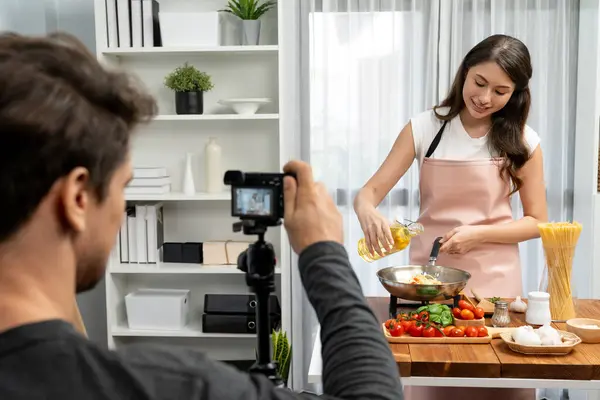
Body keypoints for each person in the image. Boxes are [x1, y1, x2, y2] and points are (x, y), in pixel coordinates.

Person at [0, 32, 403, 400]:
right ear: (77, 199)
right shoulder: (173, 386)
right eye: (124, 187)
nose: (123, 213)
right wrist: (324, 251)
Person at [354, 34, 547, 400]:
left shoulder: (523, 140)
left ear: (517, 93)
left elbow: (538, 221)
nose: (485, 98)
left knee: (500, 385)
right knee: (432, 383)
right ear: (464, 73)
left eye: (501, 91)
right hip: (430, 285)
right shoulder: (424, 128)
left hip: (496, 290)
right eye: (479, 83)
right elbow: (368, 194)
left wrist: (479, 234)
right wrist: (367, 212)